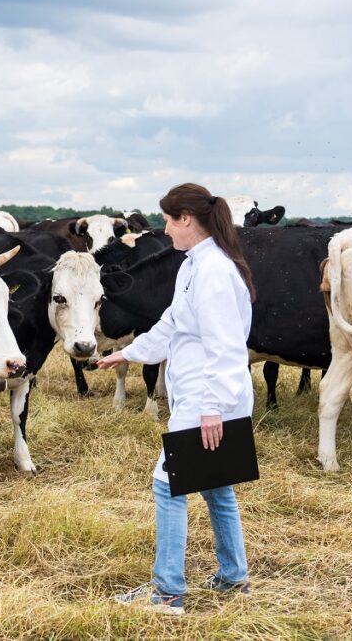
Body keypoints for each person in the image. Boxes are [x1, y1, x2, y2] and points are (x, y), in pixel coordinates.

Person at [97, 183, 254, 616]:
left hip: (210, 398)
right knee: (217, 485)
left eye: (168, 220)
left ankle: (167, 594)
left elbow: (226, 347)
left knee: (167, 485)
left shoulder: (215, 272)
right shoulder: (194, 266)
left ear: (187, 218)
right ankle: (232, 578)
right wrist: (128, 353)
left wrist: (212, 410)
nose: (164, 230)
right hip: (206, 397)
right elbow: (172, 324)